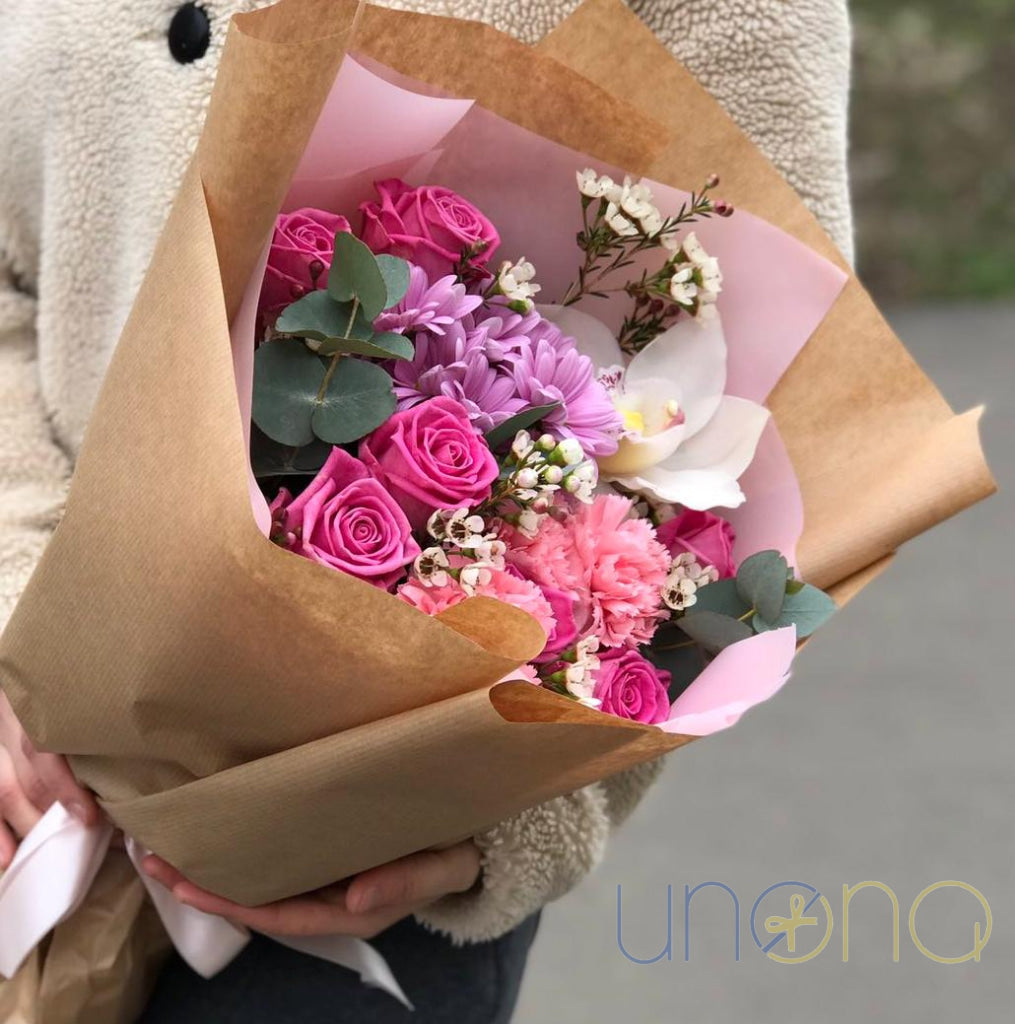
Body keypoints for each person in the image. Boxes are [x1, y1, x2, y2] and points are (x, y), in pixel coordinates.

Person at [0, 1, 852, 1019]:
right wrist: (25, 623)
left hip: (371, 829)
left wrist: (511, 819)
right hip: (26, 743)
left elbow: (773, 398)